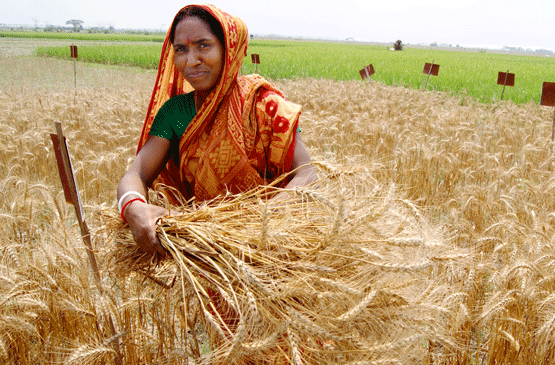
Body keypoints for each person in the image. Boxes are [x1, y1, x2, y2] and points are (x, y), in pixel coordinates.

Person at [117, 4, 317, 256]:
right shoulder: (176, 114)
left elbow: (307, 176)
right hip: (207, 257)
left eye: (203, 45)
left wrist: (249, 225)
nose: (191, 60)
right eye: (181, 49)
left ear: (228, 49)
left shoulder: (264, 105)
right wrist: (133, 206)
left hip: (271, 251)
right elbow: (136, 174)